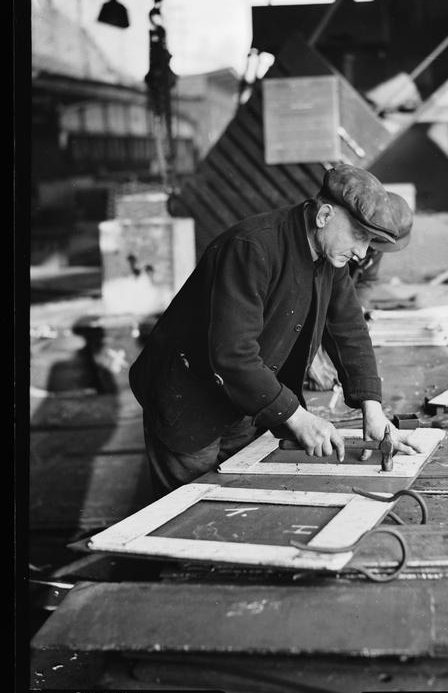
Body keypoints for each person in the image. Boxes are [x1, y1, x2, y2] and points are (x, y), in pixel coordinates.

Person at [129, 163, 418, 496]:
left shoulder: (329, 256)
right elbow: (232, 354)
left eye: (368, 242)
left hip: (246, 400)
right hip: (189, 400)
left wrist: (372, 407)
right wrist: (297, 417)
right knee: (186, 513)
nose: (361, 253)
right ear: (324, 216)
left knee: (236, 503)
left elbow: (348, 328)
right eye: (358, 236)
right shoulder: (251, 248)